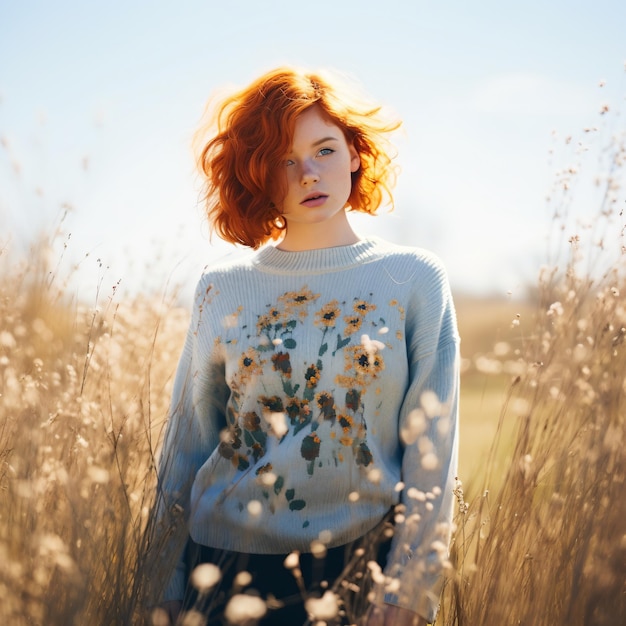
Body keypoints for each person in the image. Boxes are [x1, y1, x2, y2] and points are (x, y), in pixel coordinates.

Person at [150, 66, 460, 626]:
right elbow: (188, 444)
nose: (308, 173)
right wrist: (163, 579)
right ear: (257, 175)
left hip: (360, 567)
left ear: (356, 153)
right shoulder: (222, 286)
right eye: (284, 160)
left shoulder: (413, 278)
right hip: (220, 571)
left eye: (324, 150)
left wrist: (410, 588)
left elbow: (433, 450)